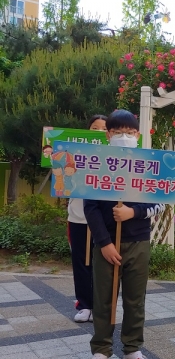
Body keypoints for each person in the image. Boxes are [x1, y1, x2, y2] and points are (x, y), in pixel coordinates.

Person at [83, 109, 165, 359]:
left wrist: (134, 212)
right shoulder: (97, 163)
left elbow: (161, 202)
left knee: (134, 299)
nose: (124, 136)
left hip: (138, 241)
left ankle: (132, 349)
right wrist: (104, 243)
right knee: (103, 298)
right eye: (118, 132)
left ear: (137, 135)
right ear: (109, 135)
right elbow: (91, 207)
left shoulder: (151, 165)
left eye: (129, 133)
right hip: (106, 244)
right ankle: (101, 349)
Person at [69, 114, 107, 323]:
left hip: (104, 219)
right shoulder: (75, 153)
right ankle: (84, 305)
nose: (99, 132)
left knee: (101, 263)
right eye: (95, 128)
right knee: (81, 262)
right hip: (78, 217)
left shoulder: (117, 155)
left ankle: (101, 305)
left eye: (104, 129)